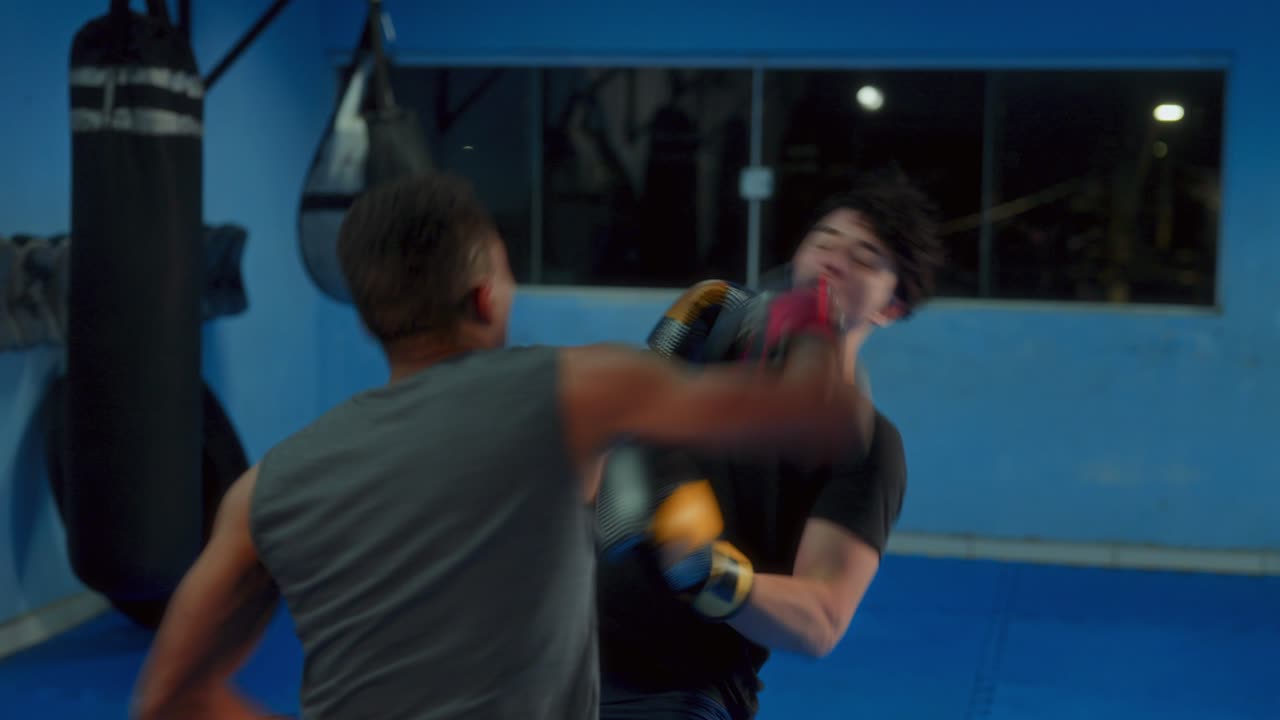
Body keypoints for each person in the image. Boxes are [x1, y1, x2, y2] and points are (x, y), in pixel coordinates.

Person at [129, 172, 873, 720]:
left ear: (371, 314)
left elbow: (166, 701)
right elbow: (822, 417)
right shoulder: (574, 390)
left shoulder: (263, 489)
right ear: (487, 296)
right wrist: (810, 313)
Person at [595, 170, 944, 720]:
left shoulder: (867, 447)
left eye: (864, 258)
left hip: (672, 692)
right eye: (825, 239)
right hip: (546, 652)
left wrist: (710, 575)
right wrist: (655, 364)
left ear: (889, 308)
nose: (834, 260)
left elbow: (822, 619)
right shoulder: (710, 347)